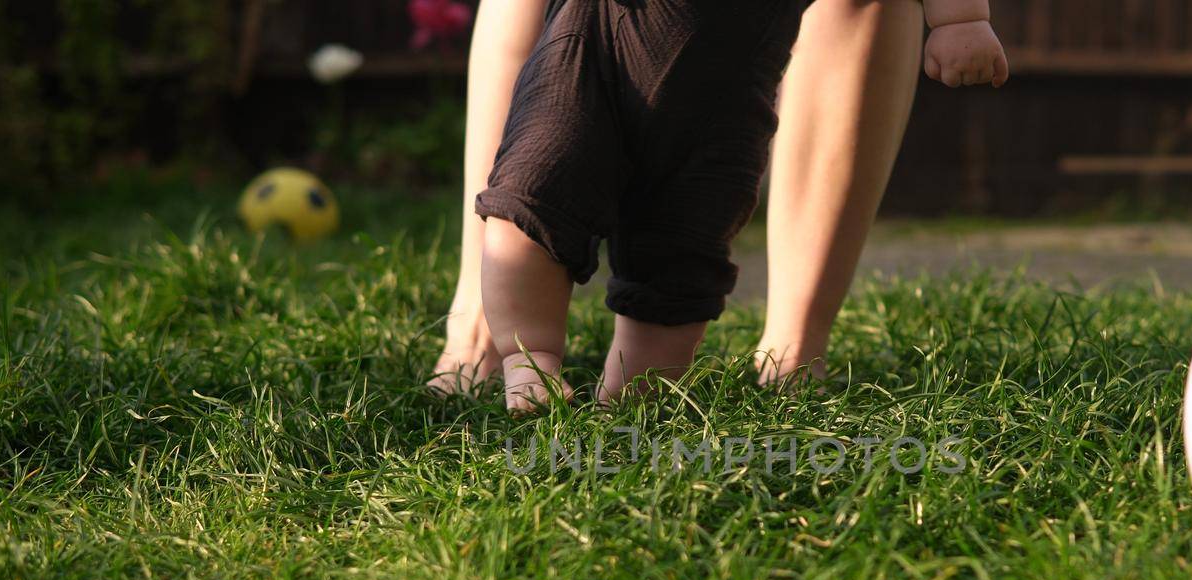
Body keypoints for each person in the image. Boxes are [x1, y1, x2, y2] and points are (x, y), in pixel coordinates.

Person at [428, 0, 1007, 406]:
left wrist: (960, 17)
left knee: (682, 262)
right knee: (529, 205)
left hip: (721, 107)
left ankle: (650, 398)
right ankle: (523, 355)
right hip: (589, 57)